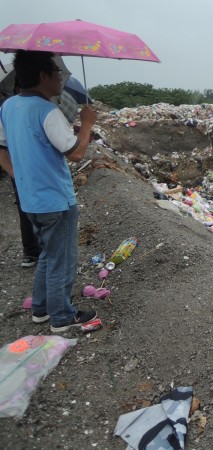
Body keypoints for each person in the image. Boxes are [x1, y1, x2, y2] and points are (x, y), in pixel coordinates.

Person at [0, 50, 98, 332]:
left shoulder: (8, 107)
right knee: (62, 259)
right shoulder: (47, 111)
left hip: (30, 199)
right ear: (43, 75)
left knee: (47, 253)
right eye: (56, 73)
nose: (60, 80)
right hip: (55, 199)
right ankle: (62, 316)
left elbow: (1, 147)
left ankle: (41, 308)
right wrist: (88, 123)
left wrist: (16, 174)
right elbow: (77, 153)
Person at [0, 80, 42, 268]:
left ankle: (34, 252)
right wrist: (14, 173)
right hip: (26, 169)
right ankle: (34, 252)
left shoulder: (8, 107)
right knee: (32, 210)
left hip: (24, 169)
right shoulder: (11, 108)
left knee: (28, 209)